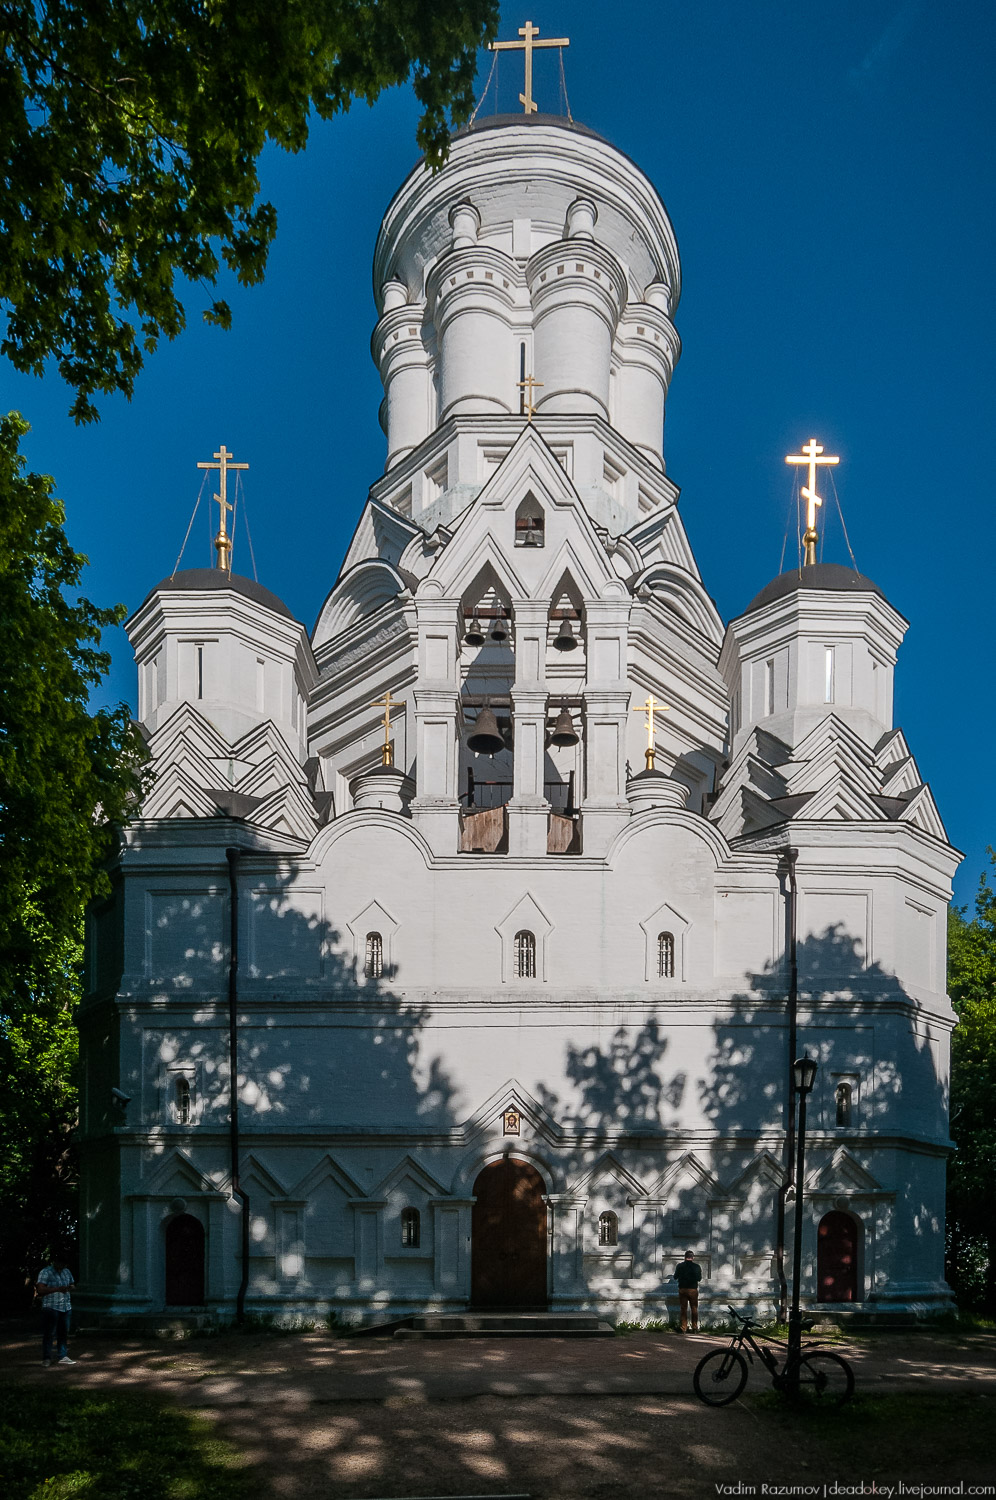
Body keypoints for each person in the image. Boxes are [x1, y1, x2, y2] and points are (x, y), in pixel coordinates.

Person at [36, 1250, 77, 1367]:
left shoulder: (66, 1271)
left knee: (63, 1332)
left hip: (65, 1307)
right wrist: (57, 1289)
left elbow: (73, 1284)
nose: (62, 1266)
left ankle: (62, 1355)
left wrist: (70, 1288)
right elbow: (40, 1290)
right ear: (55, 1262)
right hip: (51, 1306)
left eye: (64, 1264)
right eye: (61, 1263)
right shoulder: (46, 1272)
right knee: (49, 1333)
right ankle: (47, 1357)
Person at [671, 1249, 703, 1332]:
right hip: (693, 1289)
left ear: (685, 1257)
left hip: (683, 1289)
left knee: (683, 1308)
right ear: (693, 1257)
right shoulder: (696, 1267)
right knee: (694, 1308)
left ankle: (684, 1327)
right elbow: (699, 1278)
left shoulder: (680, 1266)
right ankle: (695, 1327)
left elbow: (675, 1277)